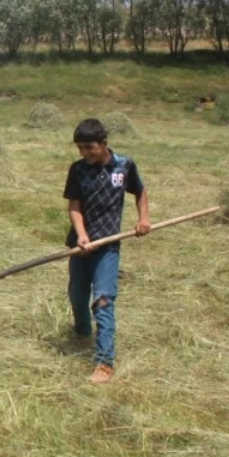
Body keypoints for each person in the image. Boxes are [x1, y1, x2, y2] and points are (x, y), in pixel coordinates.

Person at [63, 118, 150, 383]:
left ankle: (104, 363)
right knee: (77, 297)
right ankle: (81, 333)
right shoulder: (77, 169)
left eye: (89, 147)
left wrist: (143, 219)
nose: (84, 153)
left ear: (103, 144)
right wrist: (82, 235)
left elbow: (140, 191)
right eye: (80, 148)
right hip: (80, 246)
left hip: (108, 246)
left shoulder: (124, 165)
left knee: (102, 301)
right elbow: (74, 206)